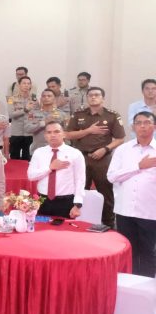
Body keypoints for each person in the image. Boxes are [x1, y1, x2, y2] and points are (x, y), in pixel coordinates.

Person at [65, 87, 125, 226]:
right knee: (79, 191)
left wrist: (105, 149)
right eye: (90, 95)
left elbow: (120, 138)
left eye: (97, 95)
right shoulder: (78, 114)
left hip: (102, 158)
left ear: (103, 98)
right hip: (81, 157)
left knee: (106, 192)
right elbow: (68, 135)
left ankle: (108, 223)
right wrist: (89, 130)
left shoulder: (112, 115)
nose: (93, 97)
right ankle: (78, 222)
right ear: (87, 98)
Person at [108, 111, 156, 276]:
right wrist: (138, 166)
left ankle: (146, 287)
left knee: (149, 252)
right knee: (127, 251)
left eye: (147, 122)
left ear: (154, 126)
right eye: (138, 123)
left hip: (150, 212)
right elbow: (112, 176)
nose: (143, 126)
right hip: (125, 210)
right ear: (133, 127)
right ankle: (128, 285)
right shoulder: (123, 150)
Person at [27, 122, 86, 219]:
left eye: (57, 131)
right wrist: (50, 168)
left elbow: (80, 180)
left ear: (64, 134)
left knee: (64, 228)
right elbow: (31, 176)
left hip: (66, 202)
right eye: (49, 132)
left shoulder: (75, 153)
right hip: (42, 201)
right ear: (45, 136)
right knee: (41, 227)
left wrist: (77, 204)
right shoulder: (39, 152)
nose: (53, 135)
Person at [6, 76, 37, 160]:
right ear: (19, 85)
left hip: (29, 133)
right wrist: (25, 109)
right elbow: (10, 114)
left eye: (28, 83)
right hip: (16, 133)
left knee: (27, 158)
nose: (26, 85)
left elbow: (37, 115)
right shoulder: (11, 99)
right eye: (24, 83)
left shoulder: (34, 99)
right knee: (14, 158)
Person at [27, 89, 66, 154]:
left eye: (49, 96)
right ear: (41, 99)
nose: (46, 98)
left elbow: (66, 132)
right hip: (38, 150)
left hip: (57, 150)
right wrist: (43, 123)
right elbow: (28, 129)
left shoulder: (62, 114)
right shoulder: (33, 113)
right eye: (44, 96)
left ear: (54, 99)